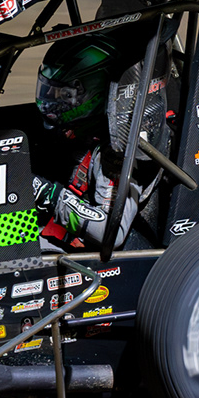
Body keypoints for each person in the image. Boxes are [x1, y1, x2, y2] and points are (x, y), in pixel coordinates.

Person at [31, 31, 175, 253]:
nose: (51, 105)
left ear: (94, 94)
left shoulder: (120, 148)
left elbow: (111, 231)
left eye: (63, 96)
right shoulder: (83, 132)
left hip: (91, 261)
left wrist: (48, 194)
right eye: (48, 91)